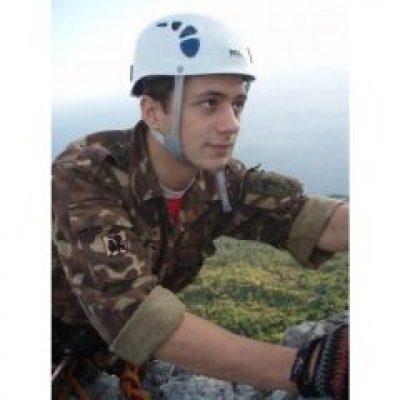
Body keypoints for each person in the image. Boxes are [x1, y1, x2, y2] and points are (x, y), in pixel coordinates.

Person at [52, 13, 349, 400]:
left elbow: (309, 219)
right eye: (210, 103)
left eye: (237, 103)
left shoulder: (218, 180)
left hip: (99, 353)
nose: (232, 123)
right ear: (152, 112)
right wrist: (308, 367)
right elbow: (133, 311)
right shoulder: (87, 177)